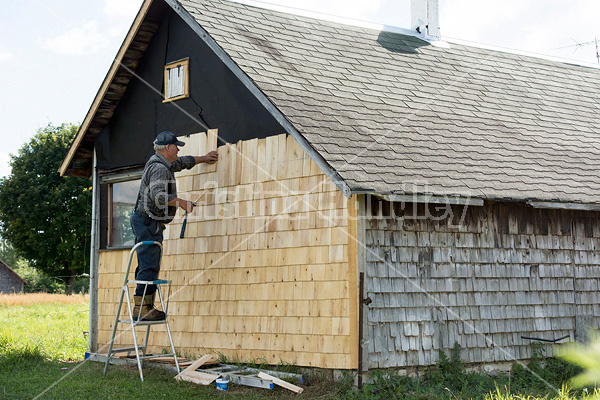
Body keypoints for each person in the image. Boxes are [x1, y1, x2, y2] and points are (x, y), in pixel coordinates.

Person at [130, 131, 218, 320]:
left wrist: (204, 158)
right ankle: (143, 309)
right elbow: (158, 196)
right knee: (149, 265)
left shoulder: (164, 163)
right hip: (148, 221)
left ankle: (144, 307)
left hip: (146, 220)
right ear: (167, 148)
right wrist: (182, 202)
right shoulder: (159, 169)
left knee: (148, 264)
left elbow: (182, 162)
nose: (178, 149)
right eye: (176, 146)